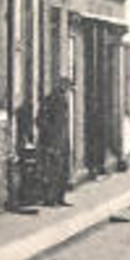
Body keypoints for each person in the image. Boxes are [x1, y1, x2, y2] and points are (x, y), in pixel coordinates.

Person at [37, 77, 74, 207]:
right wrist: (49, 138)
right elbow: (42, 120)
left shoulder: (64, 100)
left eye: (68, 88)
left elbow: (63, 123)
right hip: (53, 141)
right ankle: (50, 199)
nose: (67, 90)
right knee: (52, 170)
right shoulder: (51, 100)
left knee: (63, 170)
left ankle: (60, 197)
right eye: (65, 87)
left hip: (63, 140)